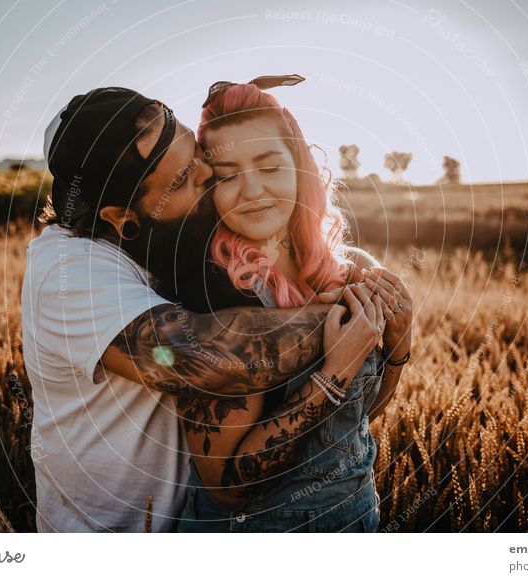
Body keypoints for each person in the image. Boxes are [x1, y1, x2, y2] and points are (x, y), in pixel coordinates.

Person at [21, 87, 369, 532]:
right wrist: (361, 312)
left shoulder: (171, 238)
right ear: (121, 217)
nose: (208, 173)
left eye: (199, 154)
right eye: (183, 179)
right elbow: (203, 357)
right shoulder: (69, 273)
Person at [172, 76, 413, 532]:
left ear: (299, 168)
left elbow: (349, 422)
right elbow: (226, 484)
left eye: (269, 166)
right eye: (227, 176)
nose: (252, 191)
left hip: (357, 517)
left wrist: (397, 347)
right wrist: (333, 372)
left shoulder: (337, 269)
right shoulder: (218, 290)